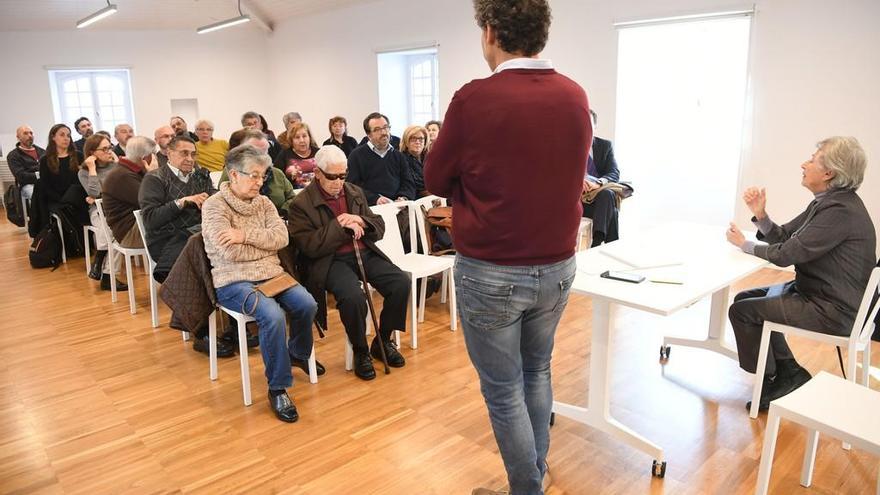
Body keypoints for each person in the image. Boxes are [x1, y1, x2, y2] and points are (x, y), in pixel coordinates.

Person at [424, 1, 591, 493]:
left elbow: (435, 175)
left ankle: (526, 487)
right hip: (558, 264)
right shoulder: (574, 95)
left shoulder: (474, 99)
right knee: (536, 372)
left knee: (503, 390)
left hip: (493, 268)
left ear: (490, 32)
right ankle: (534, 471)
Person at [726, 136, 876, 411]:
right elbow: (785, 237)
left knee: (742, 313)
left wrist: (746, 245)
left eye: (812, 159)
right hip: (817, 293)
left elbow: (785, 255)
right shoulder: (830, 203)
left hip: (832, 310)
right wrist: (761, 215)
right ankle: (787, 371)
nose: (803, 164)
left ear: (829, 173)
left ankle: (773, 377)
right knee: (742, 300)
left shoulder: (839, 210)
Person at [202, 144, 320, 423]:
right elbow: (228, 252)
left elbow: (281, 239)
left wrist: (243, 235)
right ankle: (278, 388)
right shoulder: (214, 206)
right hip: (233, 280)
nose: (259, 182)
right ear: (233, 175)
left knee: (307, 304)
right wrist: (261, 243)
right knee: (273, 316)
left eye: (262, 176)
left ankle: (298, 353)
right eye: (253, 175)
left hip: (272, 273)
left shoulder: (265, 203)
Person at [289, 145, 410, 381]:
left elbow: (379, 228)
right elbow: (310, 246)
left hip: (364, 252)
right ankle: (360, 350)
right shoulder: (300, 204)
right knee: (353, 297)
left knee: (401, 282)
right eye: (332, 176)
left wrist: (362, 221)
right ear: (318, 173)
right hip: (330, 260)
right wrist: (341, 226)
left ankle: (383, 341)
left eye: (343, 175)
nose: (338, 182)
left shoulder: (354, 192)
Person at [139, 135, 225, 356]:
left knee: (226, 256)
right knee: (197, 263)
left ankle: (230, 325)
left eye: (193, 154)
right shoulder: (155, 179)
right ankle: (201, 331)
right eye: (184, 153)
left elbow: (213, 204)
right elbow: (150, 219)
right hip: (165, 240)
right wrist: (182, 202)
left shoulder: (200, 175)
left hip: (196, 236)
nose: (190, 158)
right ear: (169, 153)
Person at [79, 134, 126, 290]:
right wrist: (92, 169)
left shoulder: (115, 166)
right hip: (98, 211)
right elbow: (94, 192)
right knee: (109, 231)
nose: (108, 151)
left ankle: (101, 267)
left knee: (118, 235)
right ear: (92, 152)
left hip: (117, 209)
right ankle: (106, 273)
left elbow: (123, 187)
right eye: (104, 149)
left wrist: (119, 163)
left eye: (109, 147)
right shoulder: (84, 172)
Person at [221, 129, 295, 217]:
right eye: (256, 152)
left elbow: (292, 198)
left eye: (266, 151)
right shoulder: (233, 173)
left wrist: (283, 211)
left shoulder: (277, 173)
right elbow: (225, 201)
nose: (263, 156)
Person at [102, 136, 159, 249]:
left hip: (138, 224)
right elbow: (155, 202)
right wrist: (154, 174)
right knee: (179, 232)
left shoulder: (130, 170)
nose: (156, 158)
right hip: (129, 233)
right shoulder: (123, 176)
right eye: (154, 155)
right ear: (145, 158)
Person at [347, 112, 415, 205]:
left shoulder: (398, 155)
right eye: (377, 129)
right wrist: (375, 199)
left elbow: (408, 183)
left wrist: (403, 197)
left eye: (385, 127)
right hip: (371, 208)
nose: (383, 132)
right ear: (369, 135)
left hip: (398, 205)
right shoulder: (356, 156)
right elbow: (352, 186)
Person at [582, 109, 621, 246]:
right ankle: (611, 246)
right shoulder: (567, 147)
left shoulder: (605, 146)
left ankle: (597, 242)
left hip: (598, 201)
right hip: (577, 202)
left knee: (607, 194)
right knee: (613, 211)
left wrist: (598, 183)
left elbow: (614, 172)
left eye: (589, 124)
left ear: (595, 127)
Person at [273, 122, 319, 188]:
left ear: (309, 137)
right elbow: (276, 179)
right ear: (291, 140)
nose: (302, 140)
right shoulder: (284, 155)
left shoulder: (318, 153)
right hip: (295, 194)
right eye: (297, 137)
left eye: (304, 136)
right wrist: (290, 177)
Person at [7, 125, 45, 203]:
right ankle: (39, 215)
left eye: (31, 133)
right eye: (25, 133)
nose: (30, 136)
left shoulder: (42, 152)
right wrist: (39, 175)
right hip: (28, 185)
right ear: (18, 137)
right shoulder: (13, 155)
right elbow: (21, 176)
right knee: (40, 196)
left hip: (45, 182)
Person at [399, 125, 428, 197]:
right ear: (406, 141)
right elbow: (414, 185)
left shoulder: (429, 158)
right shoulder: (401, 159)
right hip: (414, 198)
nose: (418, 142)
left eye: (421, 138)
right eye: (413, 138)